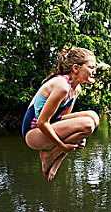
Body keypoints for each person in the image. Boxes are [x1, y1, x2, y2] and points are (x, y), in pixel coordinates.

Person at [22, 47, 100, 181]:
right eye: (91, 67)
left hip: (48, 127)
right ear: (76, 68)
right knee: (87, 124)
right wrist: (62, 146)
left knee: (93, 117)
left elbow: (60, 119)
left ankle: (53, 157)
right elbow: (41, 122)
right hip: (33, 133)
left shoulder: (76, 89)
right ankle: (48, 155)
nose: (94, 71)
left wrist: (78, 136)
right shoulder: (62, 85)